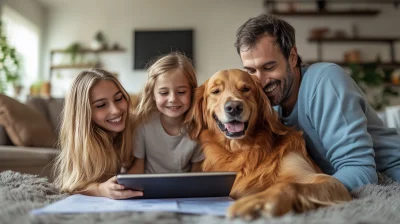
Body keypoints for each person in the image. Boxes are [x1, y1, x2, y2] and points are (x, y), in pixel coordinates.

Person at [234, 13, 400, 191]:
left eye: (269, 67)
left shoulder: (326, 80)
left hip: (389, 177)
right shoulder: (269, 105)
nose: (259, 81)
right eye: (251, 71)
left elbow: (360, 171)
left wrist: (295, 195)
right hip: (336, 180)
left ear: (292, 57)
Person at [54, 68, 143, 199]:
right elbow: (71, 185)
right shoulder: (83, 140)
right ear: (84, 114)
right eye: (101, 105)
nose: (116, 110)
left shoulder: (138, 125)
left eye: (118, 98)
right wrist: (100, 189)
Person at [128, 52, 204, 174]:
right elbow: (138, 166)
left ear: (192, 92)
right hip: (150, 190)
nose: (173, 99)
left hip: (185, 191)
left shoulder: (199, 126)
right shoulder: (143, 124)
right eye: (164, 93)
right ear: (152, 94)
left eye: (181, 92)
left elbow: (197, 171)